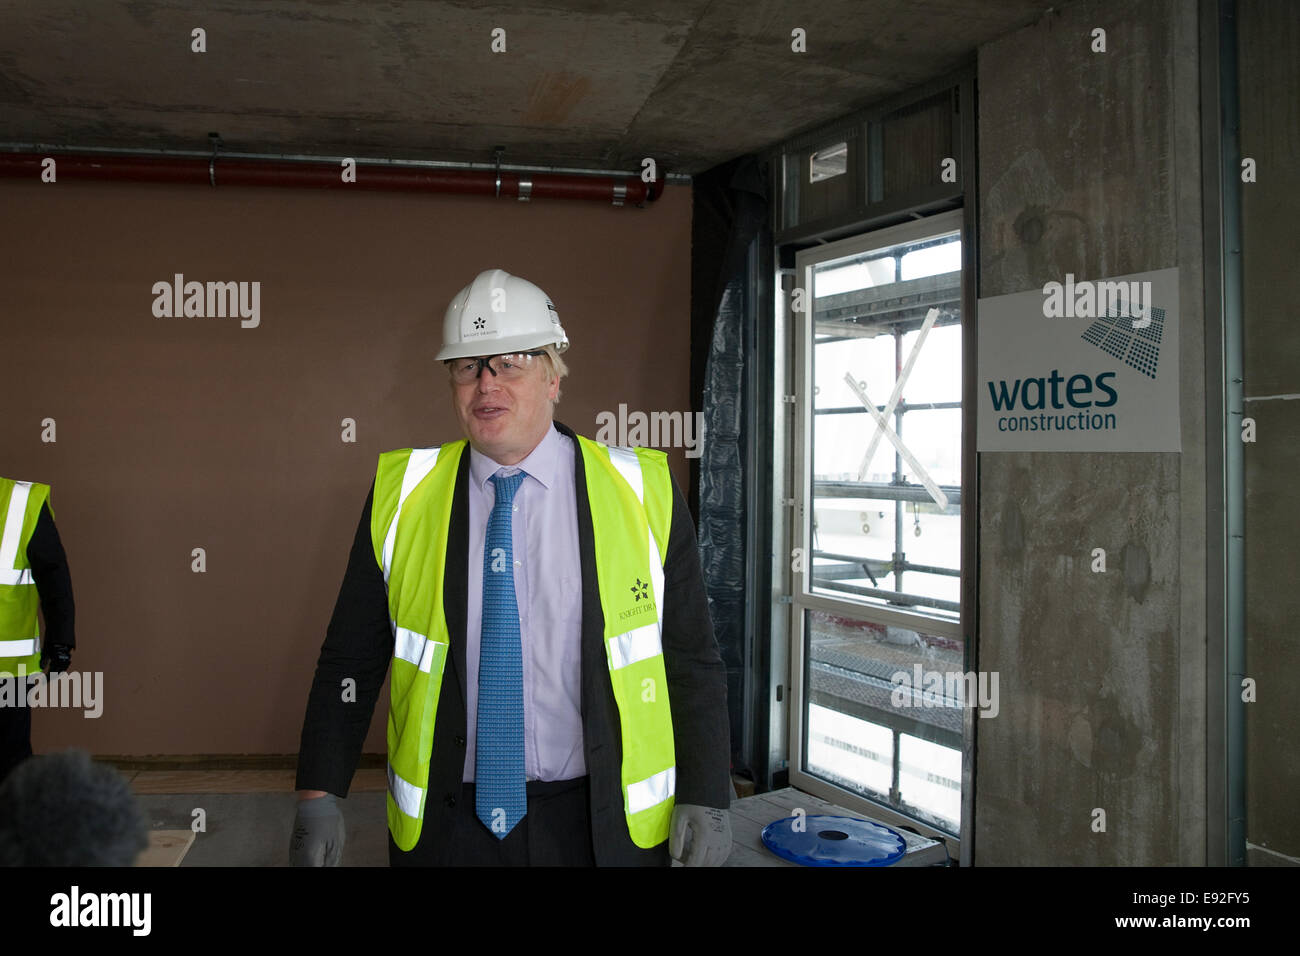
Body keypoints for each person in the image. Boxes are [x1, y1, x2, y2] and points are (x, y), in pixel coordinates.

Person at [292, 268, 733, 866]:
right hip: (448, 825)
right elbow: (351, 656)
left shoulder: (641, 490)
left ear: (554, 376)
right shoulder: (403, 494)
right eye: (468, 366)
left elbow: (690, 656)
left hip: (602, 822)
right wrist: (319, 792)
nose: (485, 384)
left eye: (510, 362)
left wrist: (708, 792)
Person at [0, 477, 75, 783]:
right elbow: (54, 575)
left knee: (10, 762)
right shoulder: (21, 501)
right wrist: (60, 640)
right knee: (10, 762)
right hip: (9, 670)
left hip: (9, 670)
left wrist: (61, 638)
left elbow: (53, 576)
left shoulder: (22, 502)